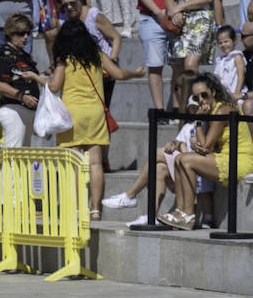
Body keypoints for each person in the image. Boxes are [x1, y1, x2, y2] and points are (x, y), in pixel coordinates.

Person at [49, 19, 142, 217]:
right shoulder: (97, 55)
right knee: (95, 163)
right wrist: (135, 73)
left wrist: (41, 79)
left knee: (74, 163)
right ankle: (95, 209)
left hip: (72, 114)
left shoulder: (63, 59)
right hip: (95, 112)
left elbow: (55, 86)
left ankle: (75, 208)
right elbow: (118, 73)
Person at [103, 86, 214, 217]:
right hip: (185, 165)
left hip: (198, 167)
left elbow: (205, 147)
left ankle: (130, 195)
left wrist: (199, 124)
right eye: (193, 108)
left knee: (156, 153)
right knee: (159, 168)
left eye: (200, 105)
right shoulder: (188, 126)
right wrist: (175, 144)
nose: (197, 109)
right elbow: (180, 142)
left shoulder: (210, 123)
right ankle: (151, 216)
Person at [162, 73, 252, 228]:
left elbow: (205, 147)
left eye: (204, 95)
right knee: (179, 158)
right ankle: (181, 210)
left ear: (213, 93)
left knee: (185, 159)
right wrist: (200, 140)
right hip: (225, 157)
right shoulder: (211, 111)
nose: (201, 100)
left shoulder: (222, 110)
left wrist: (198, 121)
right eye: (197, 98)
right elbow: (204, 146)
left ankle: (188, 215)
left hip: (240, 161)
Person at [0, 13, 42, 147]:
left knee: (22, 160)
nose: (25, 37)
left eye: (27, 33)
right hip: (13, 110)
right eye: (21, 33)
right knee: (13, 158)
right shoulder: (6, 56)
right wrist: (22, 96)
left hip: (25, 111)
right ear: (11, 33)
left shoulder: (24, 55)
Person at [213, 25, 246, 98]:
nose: (223, 45)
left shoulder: (237, 56)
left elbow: (241, 76)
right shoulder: (220, 60)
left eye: (226, 41)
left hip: (236, 91)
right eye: (220, 43)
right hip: (224, 93)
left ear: (234, 40)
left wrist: (237, 93)